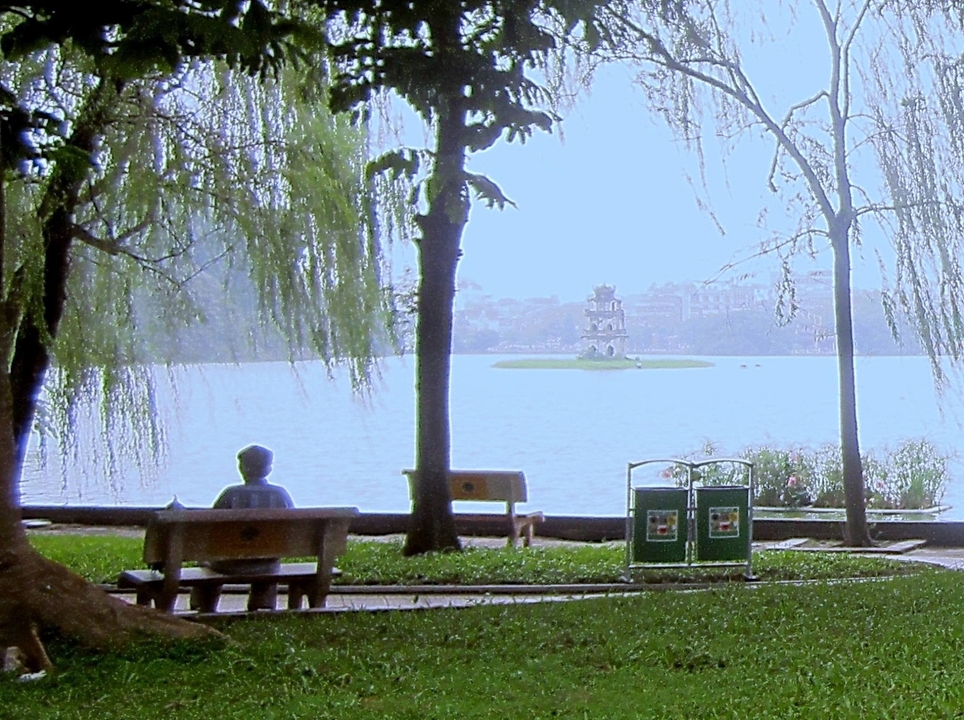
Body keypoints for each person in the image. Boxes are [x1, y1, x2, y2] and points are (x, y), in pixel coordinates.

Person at [191, 444, 295, 612]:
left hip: (228, 563)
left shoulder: (230, 494)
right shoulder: (280, 494)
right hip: (267, 561)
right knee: (268, 557)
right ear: (268, 469)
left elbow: (210, 527)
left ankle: (205, 607)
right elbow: (292, 528)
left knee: (207, 562)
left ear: (241, 468)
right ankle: (262, 606)